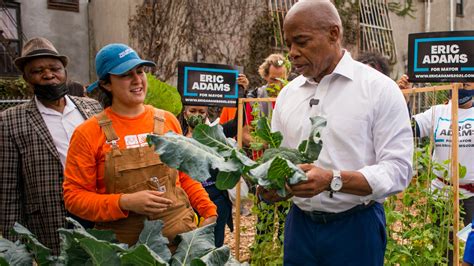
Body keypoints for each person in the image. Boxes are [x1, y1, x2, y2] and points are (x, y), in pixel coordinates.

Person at [259, 1, 413, 265]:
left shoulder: (379, 89)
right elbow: (277, 161)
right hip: (300, 228)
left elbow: (398, 170)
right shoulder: (287, 95)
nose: (292, 54)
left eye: (302, 42)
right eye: (289, 45)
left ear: (333, 34)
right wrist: (271, 187)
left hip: (355, 227)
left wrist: (333, 179)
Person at [62, 43, 217, 248]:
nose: (137, 80)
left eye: (140, 71)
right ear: (107, 84)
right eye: (126, 75)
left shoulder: (168, 121)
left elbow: (184, 175)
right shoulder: (88, 133)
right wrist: (124, 202)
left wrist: (208, 210)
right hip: (124, 248)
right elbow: (74, 198)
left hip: (177, 238)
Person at [0, 37, 102, 254]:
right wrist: (15, 251)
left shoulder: (92, 108)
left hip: (98, 209)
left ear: (64, 71)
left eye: (54, 68)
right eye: (38, 71)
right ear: (26, 77)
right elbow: (8, 191)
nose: (48, 75)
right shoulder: (10, 120)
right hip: (52, 219)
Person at [179, 105, 233, 247]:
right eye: (193, 111)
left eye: (201, 112)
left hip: (216, 200)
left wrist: (240, 92)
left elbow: (235, 125)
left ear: (207, 115)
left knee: (215, 245)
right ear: (185, 114)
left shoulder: (216, 138)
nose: (197, 115)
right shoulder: (176, 141)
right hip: (188, 203)